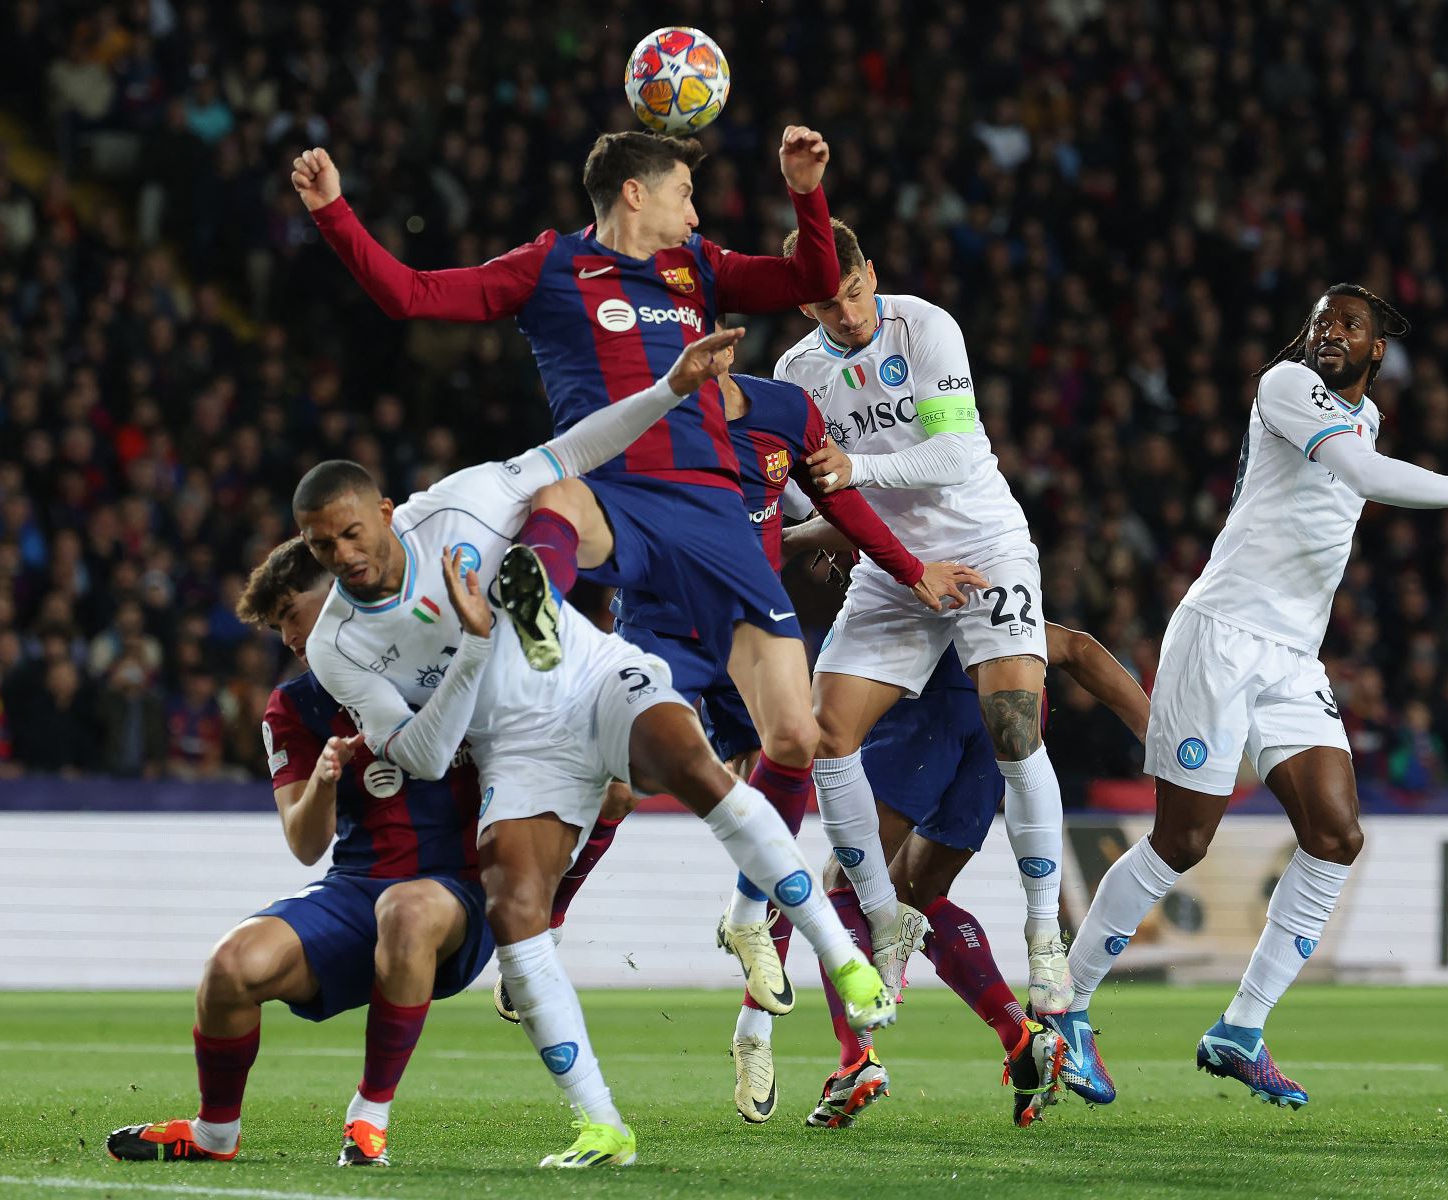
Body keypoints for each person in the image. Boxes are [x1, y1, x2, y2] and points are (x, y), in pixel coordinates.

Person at [292, 132, 919, 1005]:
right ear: (635, 192)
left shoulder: (695, 264)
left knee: (792, 739)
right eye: (686, 193)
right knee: (557, 499)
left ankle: (752, 909)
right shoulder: (548, 267)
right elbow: (408, 294)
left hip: (714, 515)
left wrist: (807, 192)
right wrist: (333, 212)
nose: (697, 212)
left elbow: (809, 279)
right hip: (616, 491)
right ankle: (533, 607)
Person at [293, 333, 893, 1170]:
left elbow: (577, 447)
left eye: (352, 534)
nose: (344, 558)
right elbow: (425, 759)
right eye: (323, 550)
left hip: (586, 674)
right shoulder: (335, 647)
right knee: (514, 910)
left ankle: (840, 955)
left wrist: (670, 389)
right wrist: (472, 649)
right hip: (510, 745)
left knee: (691, 765)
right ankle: (601, 1125)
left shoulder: (462, 503)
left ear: (387, 511)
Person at [1058, 284, 1448, 1110]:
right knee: (1184, 841)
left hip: (1292, 657)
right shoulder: (1287, 388)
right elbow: (1367, 477)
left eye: (1350, 325)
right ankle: (1066, 1008)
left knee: (1335, 834)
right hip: (1222, 635)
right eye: (1322, 321)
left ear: (1378, 351)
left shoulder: (1364, 417)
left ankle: (1241, 1029)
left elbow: (1361, 473)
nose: (1329, 332)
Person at [105, 537, 491, 1169]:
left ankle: (369, 1117)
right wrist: (324, 780)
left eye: (291, 613)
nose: (285, 636)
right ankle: (214, 1134)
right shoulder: (295, 705)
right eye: (276, 623)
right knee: (231, 967)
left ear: (340, 589)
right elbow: (305, 845)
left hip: (455, 894)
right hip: (355, 887)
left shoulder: (440, 656)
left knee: (407, 909)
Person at [772, 218, 1069, 1016]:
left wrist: (853, 470)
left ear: (873, 271)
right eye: (828, 304)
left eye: (856, 291)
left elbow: (953, 455)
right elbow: (818, 492)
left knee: (1014, 727)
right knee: (824, 737)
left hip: (984, 545)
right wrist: (806, 528)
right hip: (895, 566)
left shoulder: (927, 326)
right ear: (804, 308)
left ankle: (1046, 938)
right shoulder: (797, 373)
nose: (848, 314)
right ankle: (880, 919)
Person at [778, 523, 1151, 1129]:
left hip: (932, 711)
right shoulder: (986, 582)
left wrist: (810, 538)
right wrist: (1155, 738)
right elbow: (1079, 647)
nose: (842, 566)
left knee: (847, 882)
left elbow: (869, 524)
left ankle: (856, 1059)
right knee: (921, 892)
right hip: (1003, 727)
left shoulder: (909, 584)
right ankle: (1021, 1036)